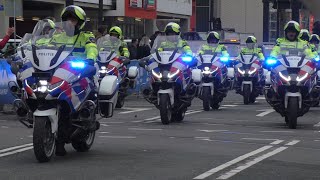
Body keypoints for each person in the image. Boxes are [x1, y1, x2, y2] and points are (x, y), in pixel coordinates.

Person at [50, 5, 98, 156]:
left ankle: (85, 118)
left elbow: (92, 47)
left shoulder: (86, 36)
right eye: (67, 19)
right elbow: (44, 47)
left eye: (73, 20)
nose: (70, 22)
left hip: (79, 73)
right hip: (60, 73)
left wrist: (90, 59)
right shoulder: (57, 37)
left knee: (82, 97)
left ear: (80, 22)